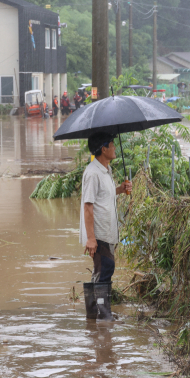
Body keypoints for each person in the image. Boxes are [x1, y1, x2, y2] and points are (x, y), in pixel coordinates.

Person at [80, 132, 131, 321]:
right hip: (99, 232)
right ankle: (103, 317)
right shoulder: (93, 173)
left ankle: (95, 316)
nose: (115, 148)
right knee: (105, 269)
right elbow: (88, 206)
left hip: (106, 231)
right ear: (103, 149)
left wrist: (120, 189)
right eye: (112, 144)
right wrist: (91, 238)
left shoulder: (105, 170)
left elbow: (103, 197)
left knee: (101, 271)